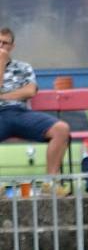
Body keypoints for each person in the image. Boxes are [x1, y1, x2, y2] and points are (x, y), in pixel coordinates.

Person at [0, 27, 71, 195]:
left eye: (5, 43)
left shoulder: (23, 67)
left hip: (21, 112)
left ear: (13, 46)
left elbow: (31, 91)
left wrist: (3, 96)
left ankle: (51, 182)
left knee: (61, 129)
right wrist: (1, 64)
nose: (1, 46)